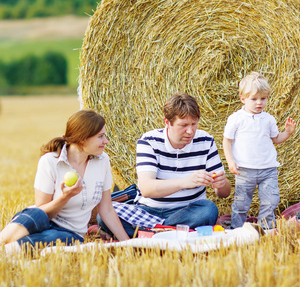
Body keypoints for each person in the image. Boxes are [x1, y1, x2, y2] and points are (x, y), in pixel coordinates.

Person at [97, 93, 231, 237]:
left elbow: (224, 193)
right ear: (167, 122)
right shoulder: (149, 141)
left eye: (194, 124)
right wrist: (186, 182)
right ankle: (174, 233)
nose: (190, 131)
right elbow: (147, 189)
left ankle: (149, 234)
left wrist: (222, 184)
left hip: (188, 210)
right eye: (183, 125)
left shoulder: (205, 140)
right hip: (148, 210)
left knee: (208, 210)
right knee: (104, 216)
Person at [0, 109, 129, 254]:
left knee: (60, 238)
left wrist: (127, 243)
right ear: (83, 138)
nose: (106, 141)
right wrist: (65, 197)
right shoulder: (50, 161)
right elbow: (42, 210)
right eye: (100, 136)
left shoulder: (103, 160)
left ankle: (9, 252)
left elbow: (107, 209)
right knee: (37, 214)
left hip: (70, 233)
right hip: (43, 219)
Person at [223, 72, 296, 229]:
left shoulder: (268, 119)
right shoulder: (236, 119)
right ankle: (237, 230)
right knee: (241, 203)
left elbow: (276, 139)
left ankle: (265, 229)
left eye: (263, 98)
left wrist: (288, 133)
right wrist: (230, 161)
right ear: (243, 98)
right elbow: (227, 141)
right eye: (254, 99)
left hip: (268, 169)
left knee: (270, 201)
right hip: (244, 169)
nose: (259, 103)